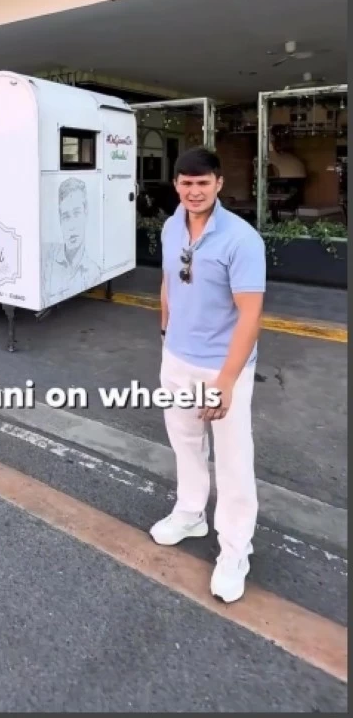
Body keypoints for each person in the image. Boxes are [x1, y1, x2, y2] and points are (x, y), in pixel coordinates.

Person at [151, 147, 265, 604]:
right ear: (176, 185)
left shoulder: (241, 240)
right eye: (185, 182)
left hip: (222, 367)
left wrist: (226, 381)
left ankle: (236, 548)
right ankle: (190, 512)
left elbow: (250, 315)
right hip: (176, 358)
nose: (193, 191)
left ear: (219, 184)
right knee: (185, 443)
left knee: (234, 461)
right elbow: (168, 281)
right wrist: (165, 332)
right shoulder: (170, 225)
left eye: (202, 183)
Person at [41, 176, 102, 300]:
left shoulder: (93, 272)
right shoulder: (46, 259)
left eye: (77, 213)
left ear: (86, 213)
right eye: (66, 216)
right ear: (59, 219)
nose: (71, 226)